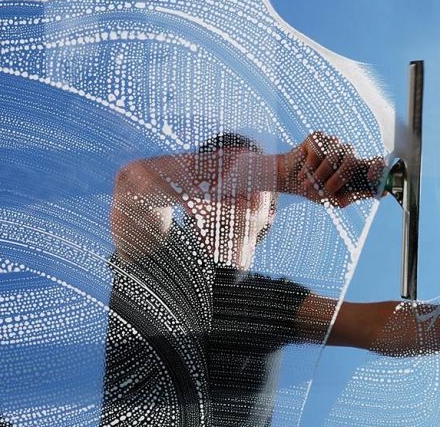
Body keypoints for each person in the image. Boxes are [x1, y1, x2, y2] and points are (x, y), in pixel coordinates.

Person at [101, 131, 429, 426]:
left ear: (270, 211)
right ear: (189, 203)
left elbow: (382, 326)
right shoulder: (159, 262)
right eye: (230, 174)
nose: (236, 183)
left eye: (249, 177)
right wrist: (283, 171)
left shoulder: (273, 301)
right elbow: (136, 185)